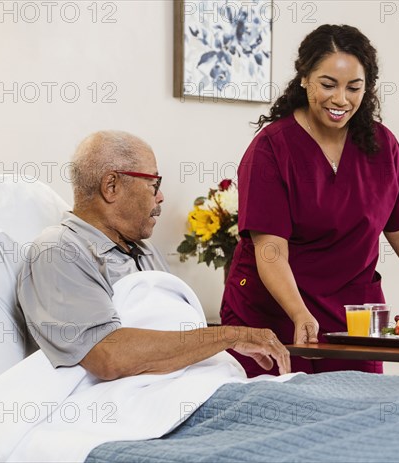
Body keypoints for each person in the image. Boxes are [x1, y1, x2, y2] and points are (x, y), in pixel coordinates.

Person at [220, 24, 399, 377]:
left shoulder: (381, 145)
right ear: (304, 79)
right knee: (279, 419)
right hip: (275, 313)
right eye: (328, 84)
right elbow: (270, 248)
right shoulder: (271, 148)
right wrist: (299, 313)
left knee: (362, 418)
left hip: (353, 315)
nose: (341, 100)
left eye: (354, 87)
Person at [17, 130, 290, 380]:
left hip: (199, 384)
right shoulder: (59, 251)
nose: (160, 197)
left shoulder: (144, 252)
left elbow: (174, 330)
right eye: (153, 184)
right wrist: (229, 335)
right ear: (111, 186)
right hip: (142, 402)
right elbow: (108, 357)